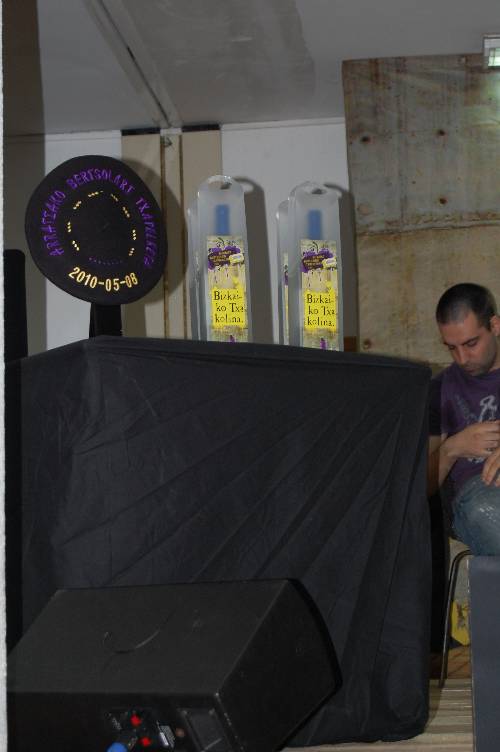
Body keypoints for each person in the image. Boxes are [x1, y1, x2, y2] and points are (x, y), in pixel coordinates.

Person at [428, 282, 500, 554]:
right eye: (451, 348)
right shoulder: (440, 389)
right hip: (479, 497)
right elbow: (420, 487)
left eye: (471, 344)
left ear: (495, 326)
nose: (462, 358)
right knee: (485, 510)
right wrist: (452, 448)